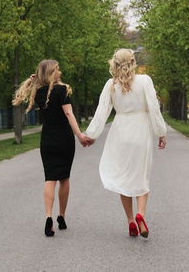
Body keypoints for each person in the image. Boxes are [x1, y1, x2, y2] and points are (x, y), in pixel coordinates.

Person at [86, 49, 166, 238]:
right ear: (133, 62)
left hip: (120, 131)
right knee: (141, 176)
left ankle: (130, 220)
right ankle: (141, 215)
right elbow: (154, 108)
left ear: (115, 63)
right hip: (140, 131)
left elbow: (102, 112)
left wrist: (92, 135)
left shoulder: (111, 85)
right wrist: (161, 133)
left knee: (124, 178)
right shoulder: (145, 81)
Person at [12, 59, 93, 236]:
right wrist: (80, 135)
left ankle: (48, 216)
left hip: (47, 140)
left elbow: (36, 85)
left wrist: (35, 80)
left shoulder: (39, 91)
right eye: (57, 70)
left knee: (50, 179)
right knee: (64, 178)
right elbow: (69, 113)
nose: (60, 72)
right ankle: (61, 216)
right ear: (50, 72)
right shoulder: (62, 90)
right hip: (64, 139)